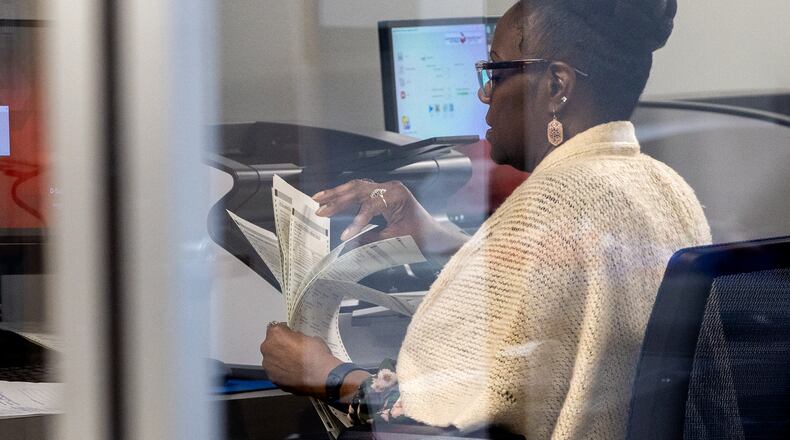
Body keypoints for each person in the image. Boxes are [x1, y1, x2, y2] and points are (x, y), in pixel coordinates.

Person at [260, 0, 711, 437]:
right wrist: (432, 235)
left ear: (556, 87)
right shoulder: (664, 187)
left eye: (494, 71)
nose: (483, 93)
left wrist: (326, 373)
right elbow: (563, 286)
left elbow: (432, 416)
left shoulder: (553, 200)